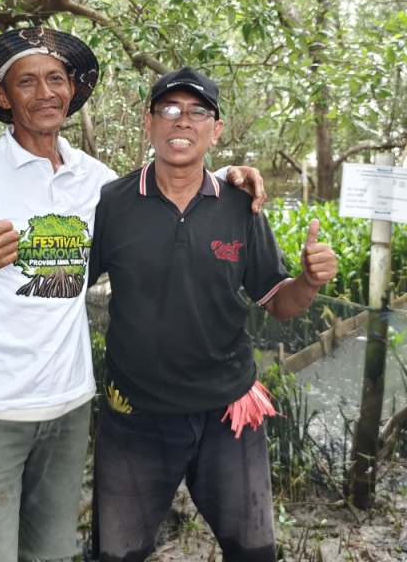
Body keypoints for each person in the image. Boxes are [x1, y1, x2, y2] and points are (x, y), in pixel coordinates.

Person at [0, 28, 266, 562]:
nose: (45, 92)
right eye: (27, 81)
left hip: (69, 407)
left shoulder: (95, 182)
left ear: (71, 91)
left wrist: (228, 178)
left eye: (56, 79)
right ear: (4, 97)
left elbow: (164, 192)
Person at [87, 67, 338, 562]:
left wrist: (308, 280)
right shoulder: (112, 203)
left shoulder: (241, 206)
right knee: (115, 555)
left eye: (198, 111)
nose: (183, 122)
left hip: (228, 414)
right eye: (170, 110)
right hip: (136, 414)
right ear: (149, 122)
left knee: (254, 554)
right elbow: (68, 287)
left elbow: (279, 303)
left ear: (216, 130)